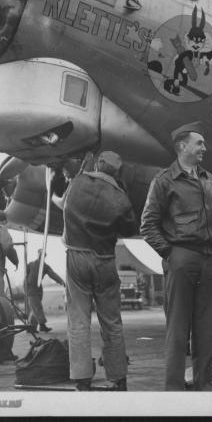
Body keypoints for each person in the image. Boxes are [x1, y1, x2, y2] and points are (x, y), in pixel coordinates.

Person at [140, 122, 212, 391]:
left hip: (210, 259)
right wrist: (171, 253)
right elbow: (147, 224)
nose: (205, 148)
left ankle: (205, 385)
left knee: (208, 329)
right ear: (182, 146)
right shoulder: (163, 180)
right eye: (199, 143)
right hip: (181, 258)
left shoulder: (209, 179)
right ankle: (174, 390)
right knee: (178, 329)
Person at [60, 150, 137, 391]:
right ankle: (118, 378)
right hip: (105, 260)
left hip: (77, 256)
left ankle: (82, 379)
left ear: (99, 163)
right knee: (112, 322)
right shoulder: (121, 197)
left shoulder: (77, 183)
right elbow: (129, 229)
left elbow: (63, 205)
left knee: (79, 320)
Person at [25, 248, 66, 333]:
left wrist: (61, 281)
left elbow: (53, 275)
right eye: (40, 254)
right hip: (31, 289)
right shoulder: (31, 265)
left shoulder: (45, 266)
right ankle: (42, 326)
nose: (41, 256)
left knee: (35, 309)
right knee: (37, 308)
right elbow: (25, 278)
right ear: (38, 255)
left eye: (43, 255)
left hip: (38, 290)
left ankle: (31, 328)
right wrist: (26, 288)